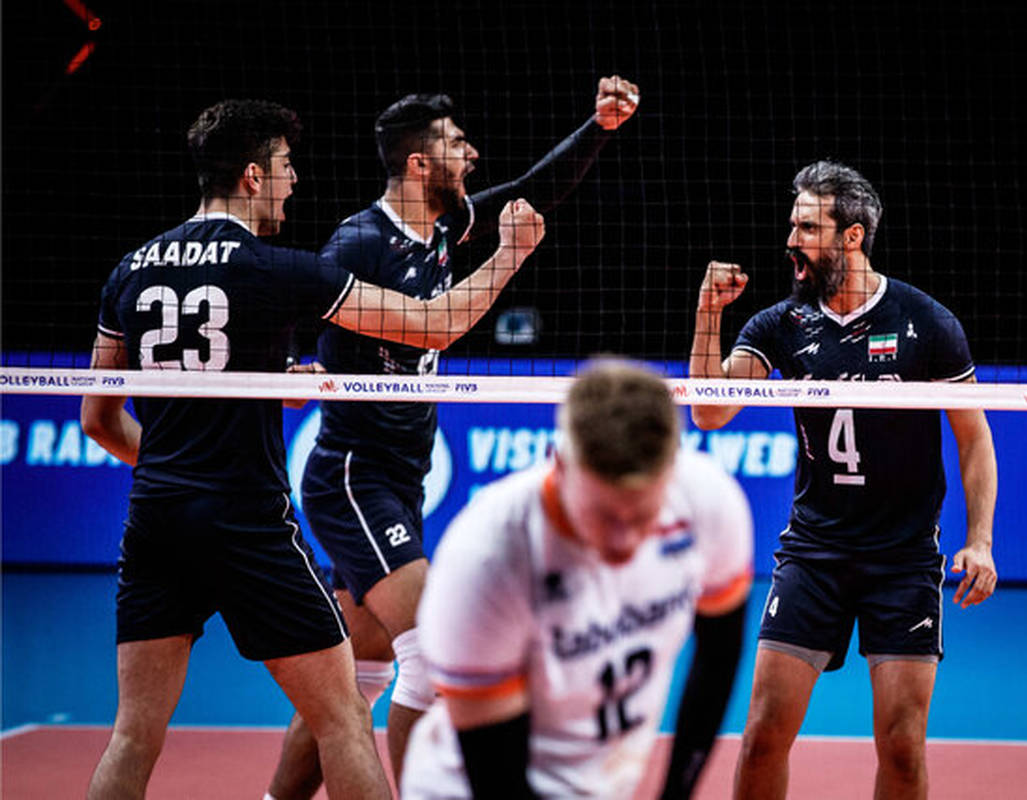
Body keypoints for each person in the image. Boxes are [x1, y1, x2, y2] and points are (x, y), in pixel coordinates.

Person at [79, 98, 544, 800]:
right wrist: (509, 256)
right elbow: (435, 324)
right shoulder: (276, 269)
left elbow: (98, 420)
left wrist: (183, 464)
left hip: (157, 517)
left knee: (133, 734)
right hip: (247, 521)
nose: (294, 180)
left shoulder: (130, 270)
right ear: (252, 176)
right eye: (285, 165)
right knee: (343, 719)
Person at [265, 76, 641, 798]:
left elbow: (532, 192)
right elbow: (306, 295)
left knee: (354, 680)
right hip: (353, 475)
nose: (470, 154)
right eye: (455, 143)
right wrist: (282, 363)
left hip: (400, 476)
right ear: (418, 164)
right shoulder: (360, 241)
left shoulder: (444, 227)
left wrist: (598, 127)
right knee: (435, 655)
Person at [689, 160, 998, 799]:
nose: (791, 241)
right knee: (763, 734)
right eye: (792, 225)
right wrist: (707, 313)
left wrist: (980, 541)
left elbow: (974, 439)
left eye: (807, 228)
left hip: (903, 559)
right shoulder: (780, 325)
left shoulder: (926, 322)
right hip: (814, 552)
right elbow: (709, 411)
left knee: (903, 746)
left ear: (851, 236)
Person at [399, 359, 753, 799]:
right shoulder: (488, 556)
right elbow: (496, 778)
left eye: (642, 515)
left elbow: (719, 653)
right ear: (560, 467)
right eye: (605, 515)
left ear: (670, 474)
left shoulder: (705, 502)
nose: (624, 541)